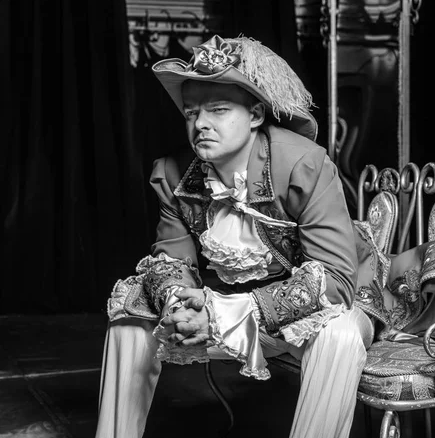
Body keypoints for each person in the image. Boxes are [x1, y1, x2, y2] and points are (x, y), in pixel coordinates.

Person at [96, 35, 374, 438]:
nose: (201, 124)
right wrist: (181, 305)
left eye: (219, 110)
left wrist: (223, 312)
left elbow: (335, 282)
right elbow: (170, 260)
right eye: (192, 113)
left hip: (315, 310)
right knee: (129, 318)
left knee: (341, 332)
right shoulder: (174, 174)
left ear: (256, 114)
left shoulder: (304, 165)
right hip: (224, 312)